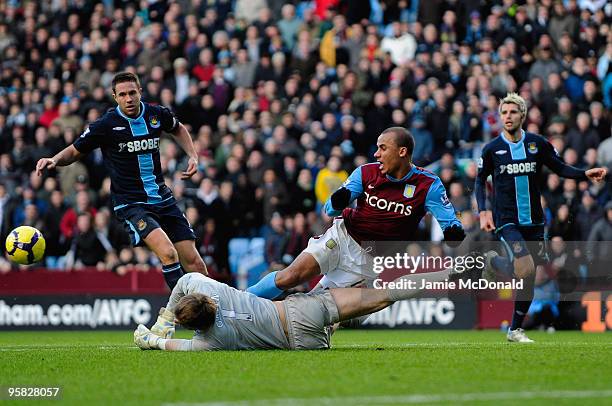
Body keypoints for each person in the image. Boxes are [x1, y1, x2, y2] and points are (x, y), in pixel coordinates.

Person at [247, 127, 465, 299]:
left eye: (382, 148)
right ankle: (242, 300)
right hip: (342, 238)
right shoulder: (366, 172)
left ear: (402, 152)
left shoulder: (429, 184)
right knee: (291, 276)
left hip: (369, 262)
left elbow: (449, 223)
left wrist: (453, 232)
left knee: (317, 309)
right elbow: (329, 209)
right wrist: (339, 201)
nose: (376, 153)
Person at [36, 72, 207, 288]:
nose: (129, 99)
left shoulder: (156, 114)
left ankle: (214, 316)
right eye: (123, 94)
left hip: (162, 198)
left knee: (196, 264)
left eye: (132, 93)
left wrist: (193, 155)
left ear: (140, 93)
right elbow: (75, 150)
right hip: (132, 204)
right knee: (169, 254)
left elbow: (178, 129)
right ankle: (177, 315)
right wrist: (54, 159)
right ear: (115, 96)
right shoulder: (106, 125)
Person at [474, 92, 607, 343]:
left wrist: (584, 174)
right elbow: (480, 181)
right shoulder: (492, 149)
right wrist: (483, 211)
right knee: (525, 266)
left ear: (522, 115)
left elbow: (560, 167)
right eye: (504, 112)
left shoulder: (536, 144)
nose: (508, 116)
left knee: (530, 275)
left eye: (513, 112)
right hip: (507, 218)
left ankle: (514, 328)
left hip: (534, 219)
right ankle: (496, 266)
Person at [134, 267, 474, 351]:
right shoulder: (213, 290)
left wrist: (150, 340)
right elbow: (184, 280)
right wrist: (165, 317)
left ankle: (342, 321)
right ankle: (449, 273)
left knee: (338, 314)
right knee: (385, 294)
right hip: (299, 311)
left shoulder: (212, 341)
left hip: (301, 343)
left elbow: (175, 345)